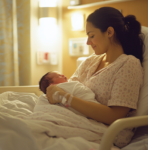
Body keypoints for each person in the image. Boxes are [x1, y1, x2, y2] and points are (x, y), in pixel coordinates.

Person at [46, 7, 144, 148]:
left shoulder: (128, 64)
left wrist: (64, 97)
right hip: (74, 119)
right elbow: (70, 86)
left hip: (106, 131)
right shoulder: (90, 61)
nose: (87, 42)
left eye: (91, 36)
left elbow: (114, 116)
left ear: (109, 32)